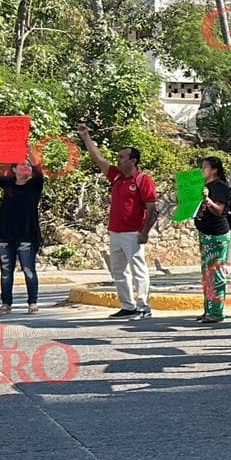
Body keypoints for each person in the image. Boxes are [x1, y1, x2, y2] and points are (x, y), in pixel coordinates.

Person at [75, 123, 157, 319]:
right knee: (119, 270)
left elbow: (152, 208)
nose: (118, 160)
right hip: (115, 232)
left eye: (122, 157)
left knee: (138, 270)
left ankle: (144, 306)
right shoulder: (117, 176)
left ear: (133, 160)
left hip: (133, 233)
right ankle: (128, 305)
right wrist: (86, 137)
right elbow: (98, 159)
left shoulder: (143, 180)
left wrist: (145, 232)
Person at [0, 150, 44, 315]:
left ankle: (32, 302)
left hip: (26, 236)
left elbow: (38, 168)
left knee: (28, 270)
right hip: (5, 235)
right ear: (14, 170)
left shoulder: (35, 185)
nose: (26, 166)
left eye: (28, 165)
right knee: (6, 272)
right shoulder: (8, 184)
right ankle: (6, 304)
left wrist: (29, 150)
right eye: (22, 165)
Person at [191, 156, 231, 324]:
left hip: (217, 234)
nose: (202, 170)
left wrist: (207, 199)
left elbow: (219, 210)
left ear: (214, 170)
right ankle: (208, 309)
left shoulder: (220, 187)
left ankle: (217, 312)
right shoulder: (204, 186)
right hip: (205, 233)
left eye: (205, 167)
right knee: (207, 273)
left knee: (215, 273)